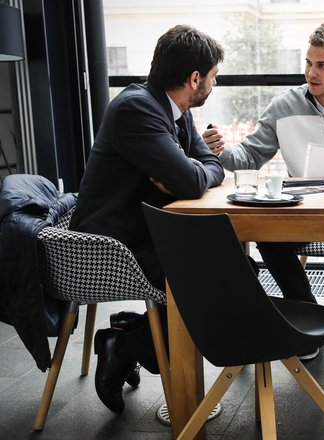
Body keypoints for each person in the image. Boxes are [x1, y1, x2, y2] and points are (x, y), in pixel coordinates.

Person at [203, 23, 324, 361]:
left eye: (322, 65)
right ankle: (307, 313)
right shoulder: (284, 106)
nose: (311, 72)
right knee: (263, 228)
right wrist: (219, 150)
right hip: (302, 215)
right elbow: (249, 156)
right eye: (308, 63)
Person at [69, 25, 225, 413]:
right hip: (110, 243)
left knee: (233, 270)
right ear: (194, 79)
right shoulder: (136, 108)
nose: (213, 83)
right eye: (213, 77)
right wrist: (191, 172)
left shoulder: (175, 109)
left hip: (147, 230)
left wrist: (192, 169)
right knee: (216, 280)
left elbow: (204, 165)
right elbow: (192, 180)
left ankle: (131, 336)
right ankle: (126, 344)